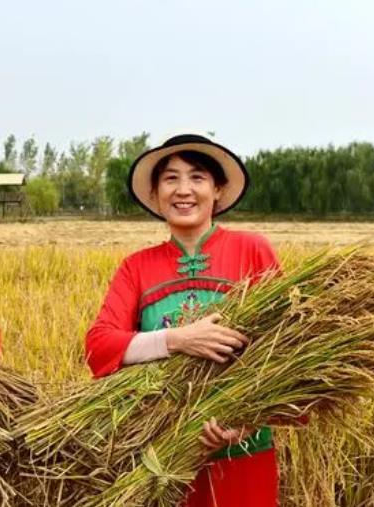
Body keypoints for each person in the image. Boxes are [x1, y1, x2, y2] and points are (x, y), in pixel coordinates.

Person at [85, 131, 280, 506]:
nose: (183, 190)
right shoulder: (136, 267)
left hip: (244, 456)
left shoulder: (252, 251)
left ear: (218, 190)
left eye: (197, 177)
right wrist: (176, 340)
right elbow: (99, 346)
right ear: (156, 194)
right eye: (170, 178)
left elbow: (287, 348)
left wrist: (246, 423)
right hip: (161, 461)